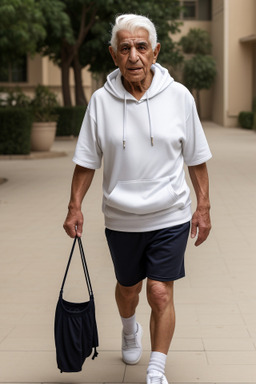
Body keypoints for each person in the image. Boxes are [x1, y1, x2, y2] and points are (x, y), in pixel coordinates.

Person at [63, 14, 212, 384]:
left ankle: (156, 368)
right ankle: (130, 329)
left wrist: (203, 207)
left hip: (170, 214)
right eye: (125, 48)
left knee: (160, 292)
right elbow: (86, 160)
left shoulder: (179, 97)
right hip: (121, 219)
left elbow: (196, 157)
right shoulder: (100, 102)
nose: (134, 56)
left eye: (142, 47)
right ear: (114, 55)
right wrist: (74, 206)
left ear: (155, 52)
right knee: (128, 289)